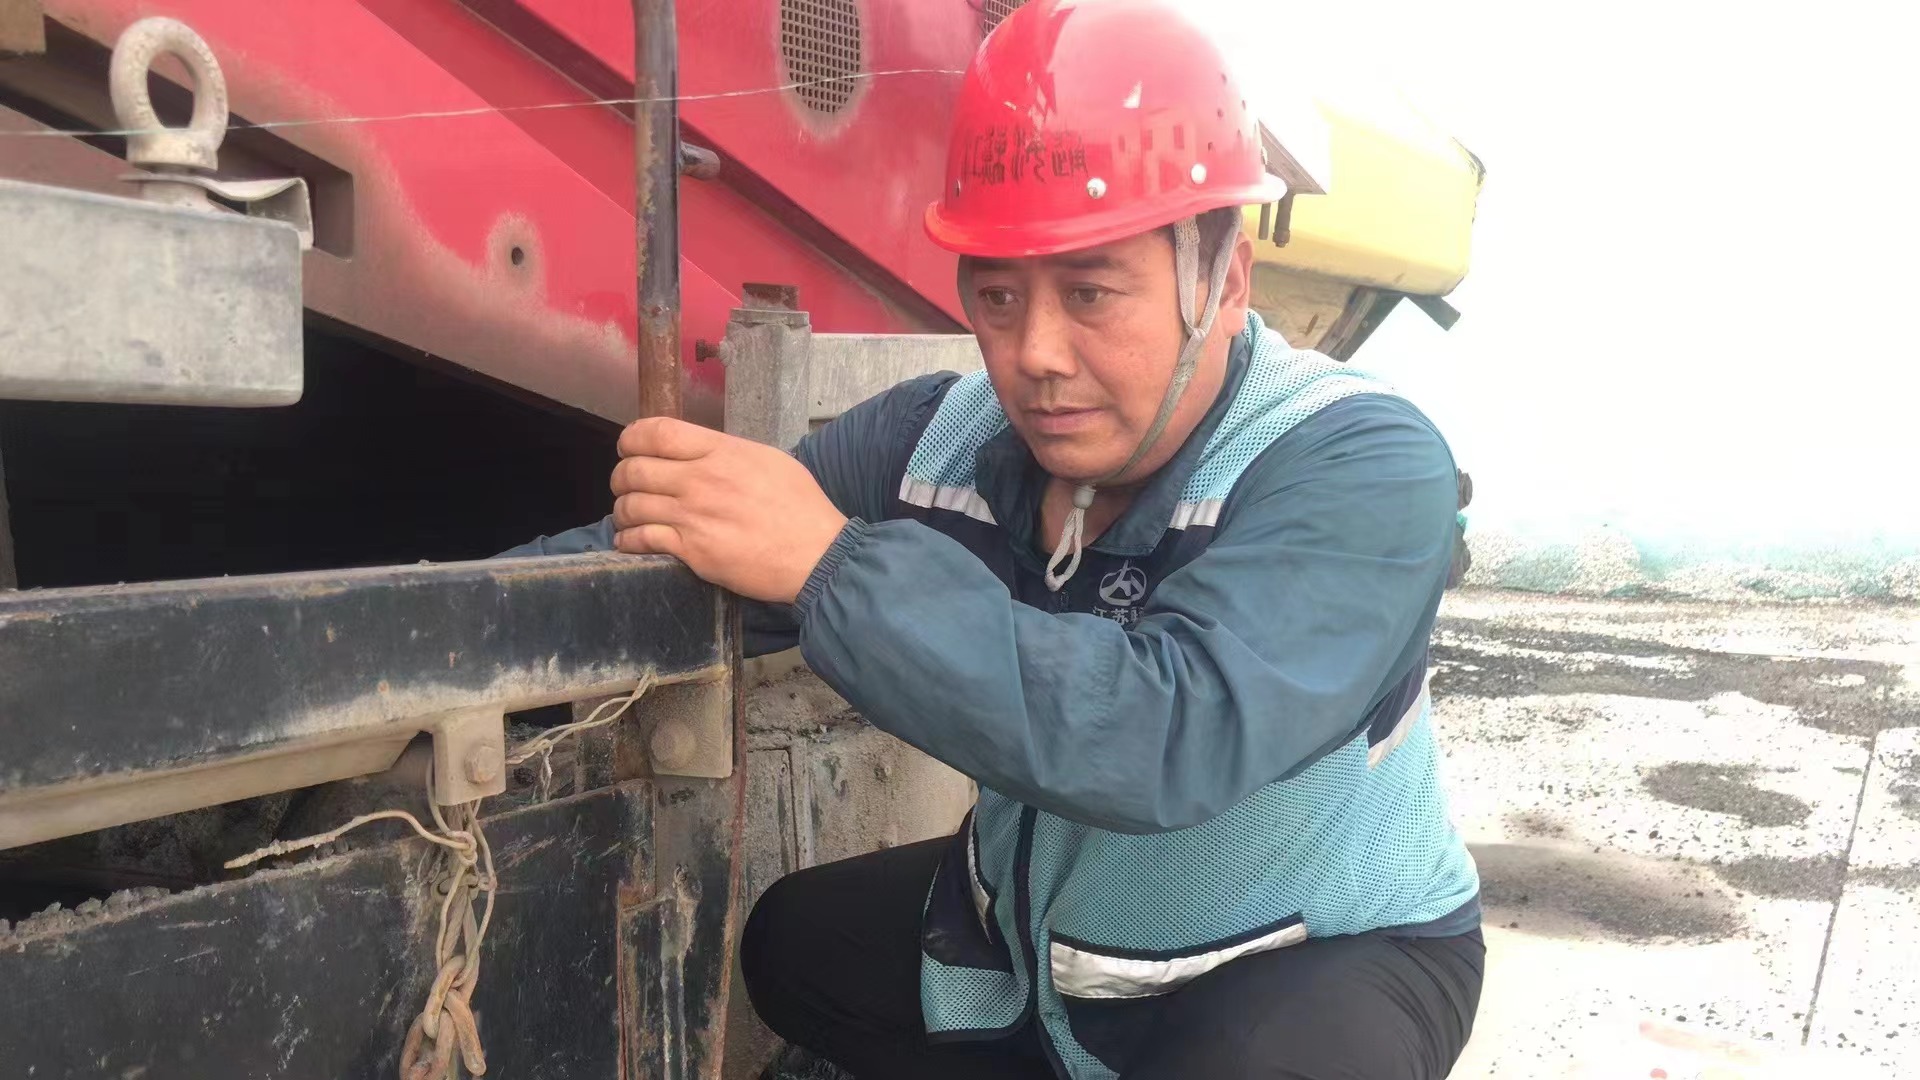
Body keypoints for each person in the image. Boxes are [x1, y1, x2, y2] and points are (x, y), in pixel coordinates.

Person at [506, 0, 1483, 1075]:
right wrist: (425, 632)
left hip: (1311, 954)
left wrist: (832, 568)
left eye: (1091, 293)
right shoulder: (935, 439)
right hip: (1044, 942)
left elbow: (1170, 736)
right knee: (795, 946)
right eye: (1000, 295)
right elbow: (668, 558)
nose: (1038, 354)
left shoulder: (1354, 461)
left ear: (1223, 281)